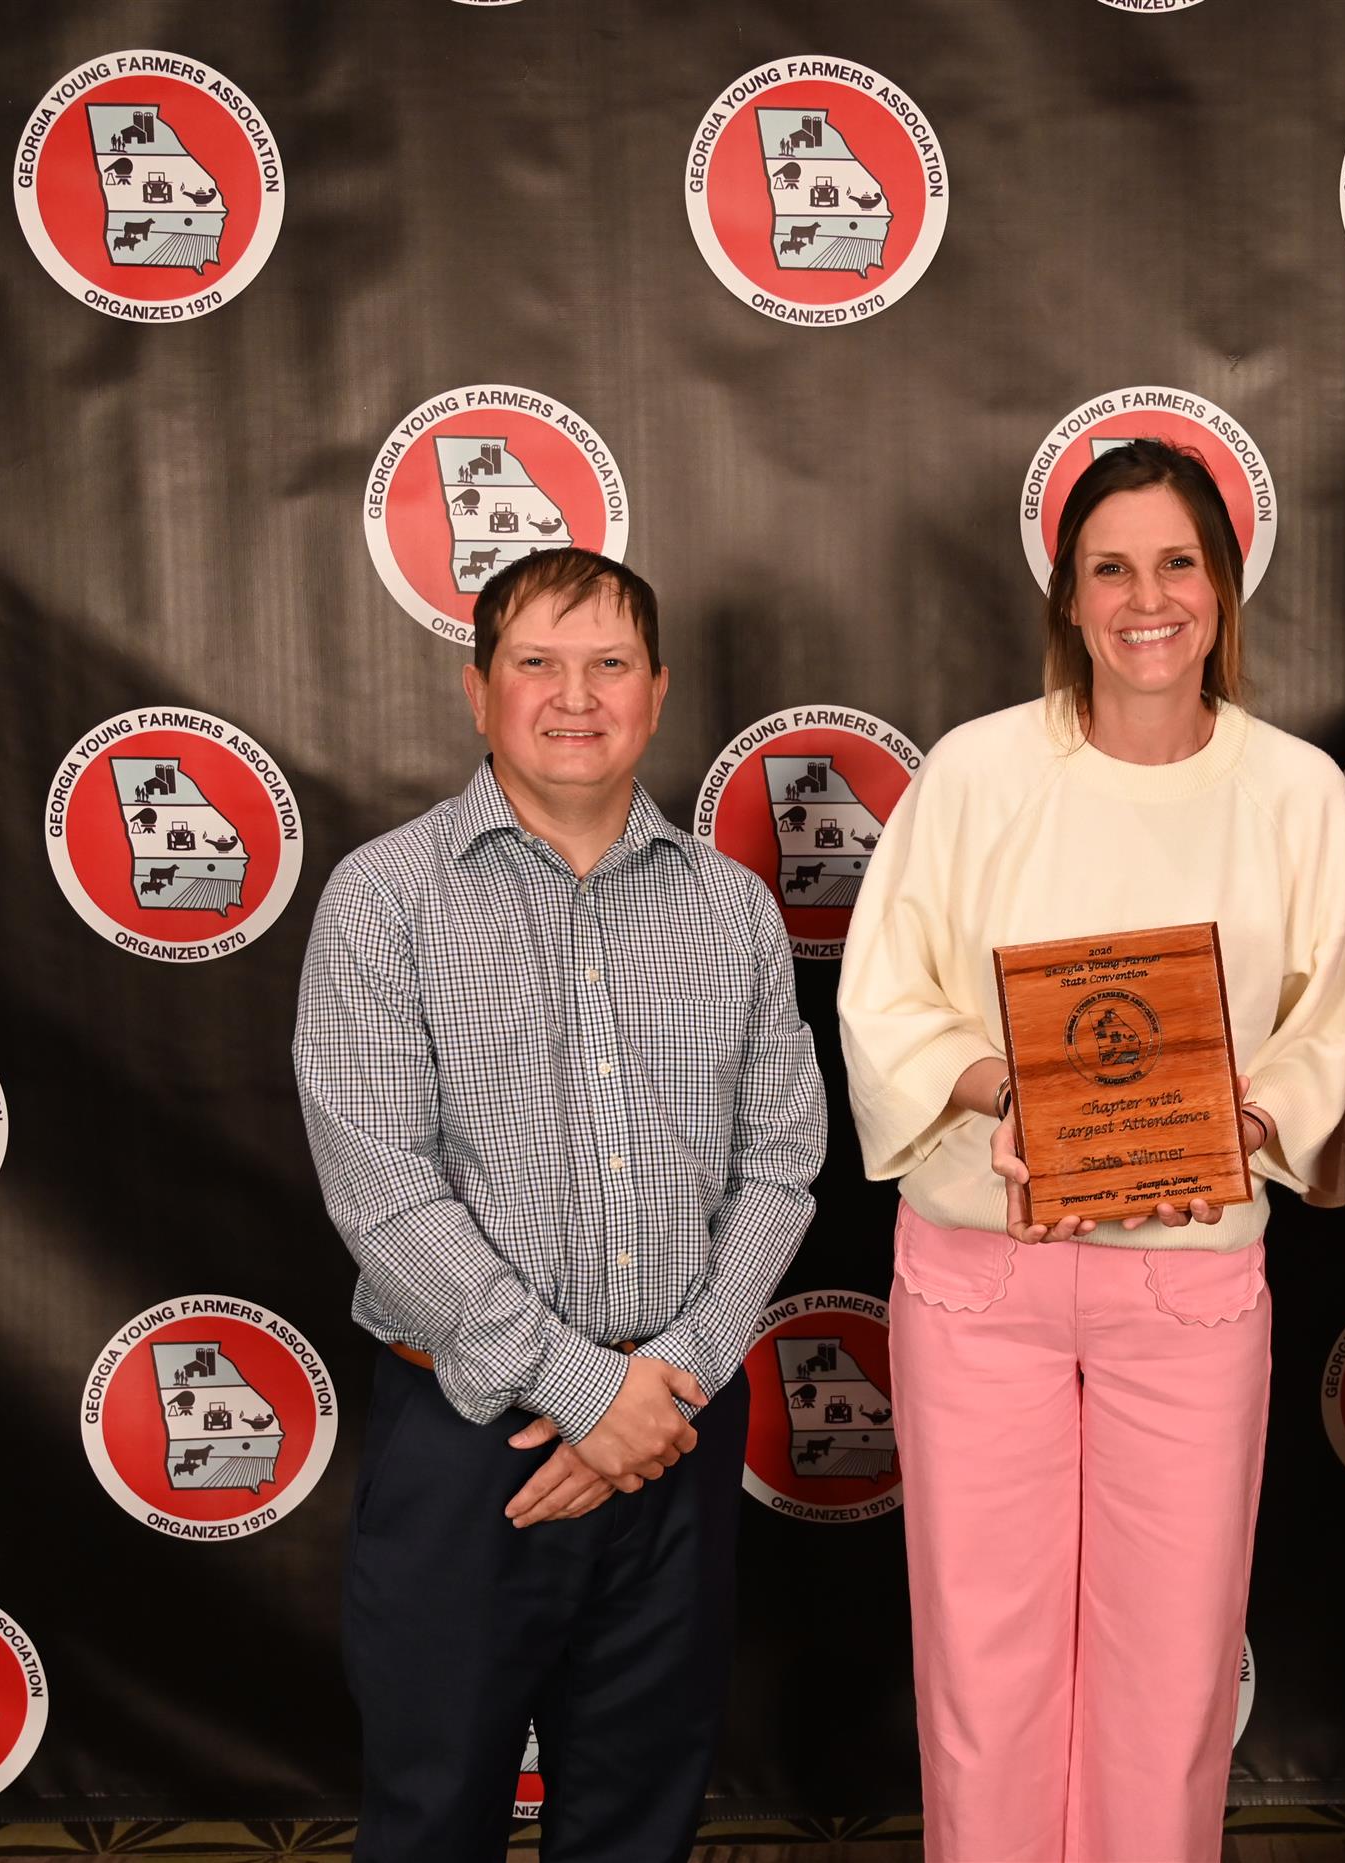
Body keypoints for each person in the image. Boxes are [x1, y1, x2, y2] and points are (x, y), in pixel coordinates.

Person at [836, 438, 1345, 1861]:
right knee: (984, 1666)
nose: (1148, 600)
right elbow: (882, 996)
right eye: (1111, 569)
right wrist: (997, 1092)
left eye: (1177, 563)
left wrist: (1242, 1119)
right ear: (1068, 599)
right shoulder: (975, 773)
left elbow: (1328, 1019)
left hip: (1188, 1281)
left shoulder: (1296, 792)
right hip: (982, 1274)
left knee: (1172, 1673)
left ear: (1223, 586)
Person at [293, 547, 825, 1863]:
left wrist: (667, 1385)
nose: (574, 696)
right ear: (479, 690)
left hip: (680, 1431)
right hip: (468, 1440)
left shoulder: (732, 909)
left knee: (641, 1825)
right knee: (433, 1821)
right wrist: (587, 1394)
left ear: (657, 691)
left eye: (608, 664)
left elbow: (782, 1163)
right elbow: (382, 1188)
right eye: (536, 662)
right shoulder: (385, 899)